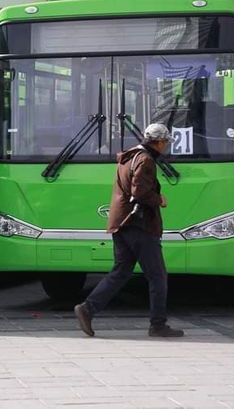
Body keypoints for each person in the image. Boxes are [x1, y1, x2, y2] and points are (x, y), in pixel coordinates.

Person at [74, 123, 184, 338]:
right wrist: (158, 199)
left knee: (121, 271)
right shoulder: (146, 160)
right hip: (139, 224)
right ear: (159, 142)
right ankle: (158, 324)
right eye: (165, 143)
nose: (165, 147)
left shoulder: (129, 157)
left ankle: (87, 309)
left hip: (121, 222)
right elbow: (140, 192)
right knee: (157, 276)